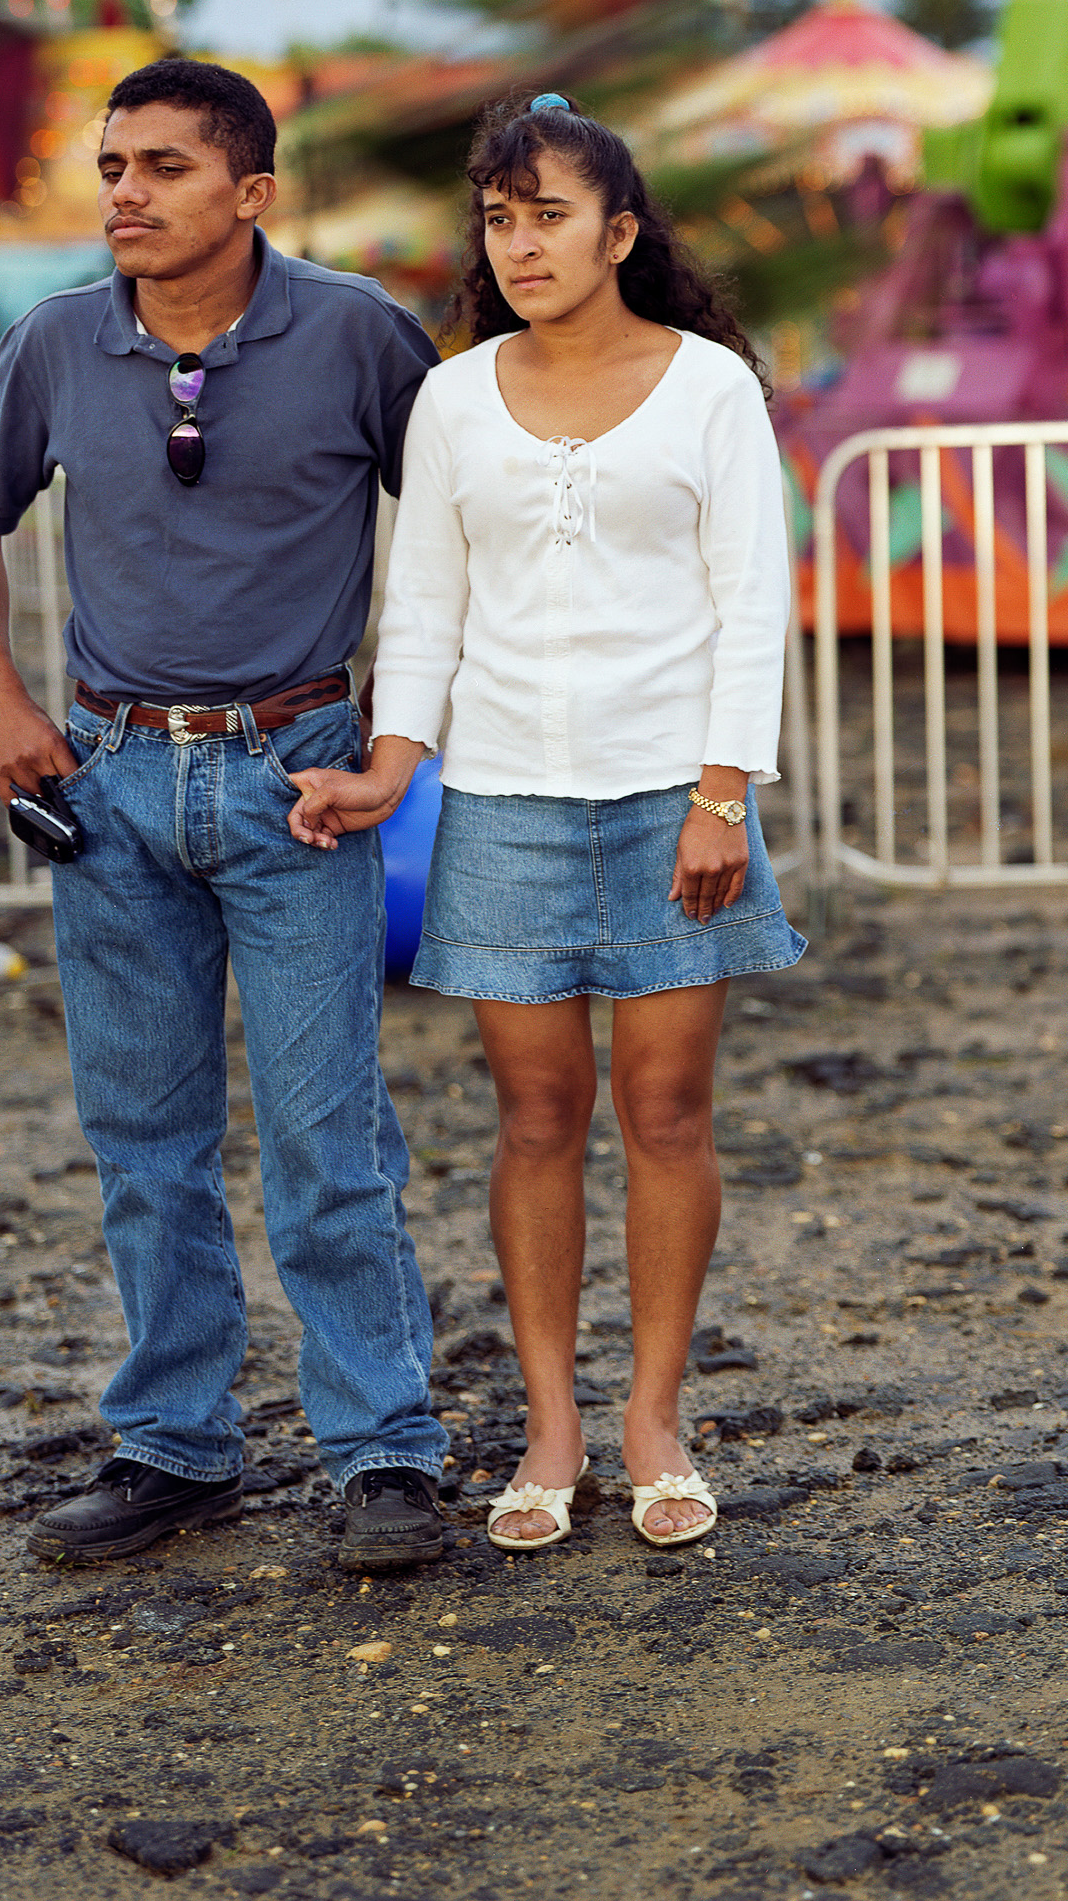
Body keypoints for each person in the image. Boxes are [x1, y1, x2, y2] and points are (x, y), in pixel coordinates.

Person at [0, 55, 456, 1576]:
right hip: (106, 782)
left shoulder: (357, 333)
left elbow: (455, 521)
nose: (127, 192)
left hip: (299, 777)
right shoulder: (55, 340)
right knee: (143, 1137)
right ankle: (173, 1443)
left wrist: (403, 728)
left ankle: (384, 1449)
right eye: (113, 165)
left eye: (165, 166)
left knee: (325, 1133)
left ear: (252, 191)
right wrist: (1, 701)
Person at [292, 93, 803, 1556]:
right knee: (533, 1118)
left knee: (668, 1112)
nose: (521, 244)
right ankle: (550, 1425)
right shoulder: (453, 398)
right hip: (503, 801)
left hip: (674, 802)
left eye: (551, 217)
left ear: (619, 233)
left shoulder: (710, 386)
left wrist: (723, 794)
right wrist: (390, 769)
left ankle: (653, 1418)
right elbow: (427, 605)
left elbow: (751, 599)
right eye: (500, 219)